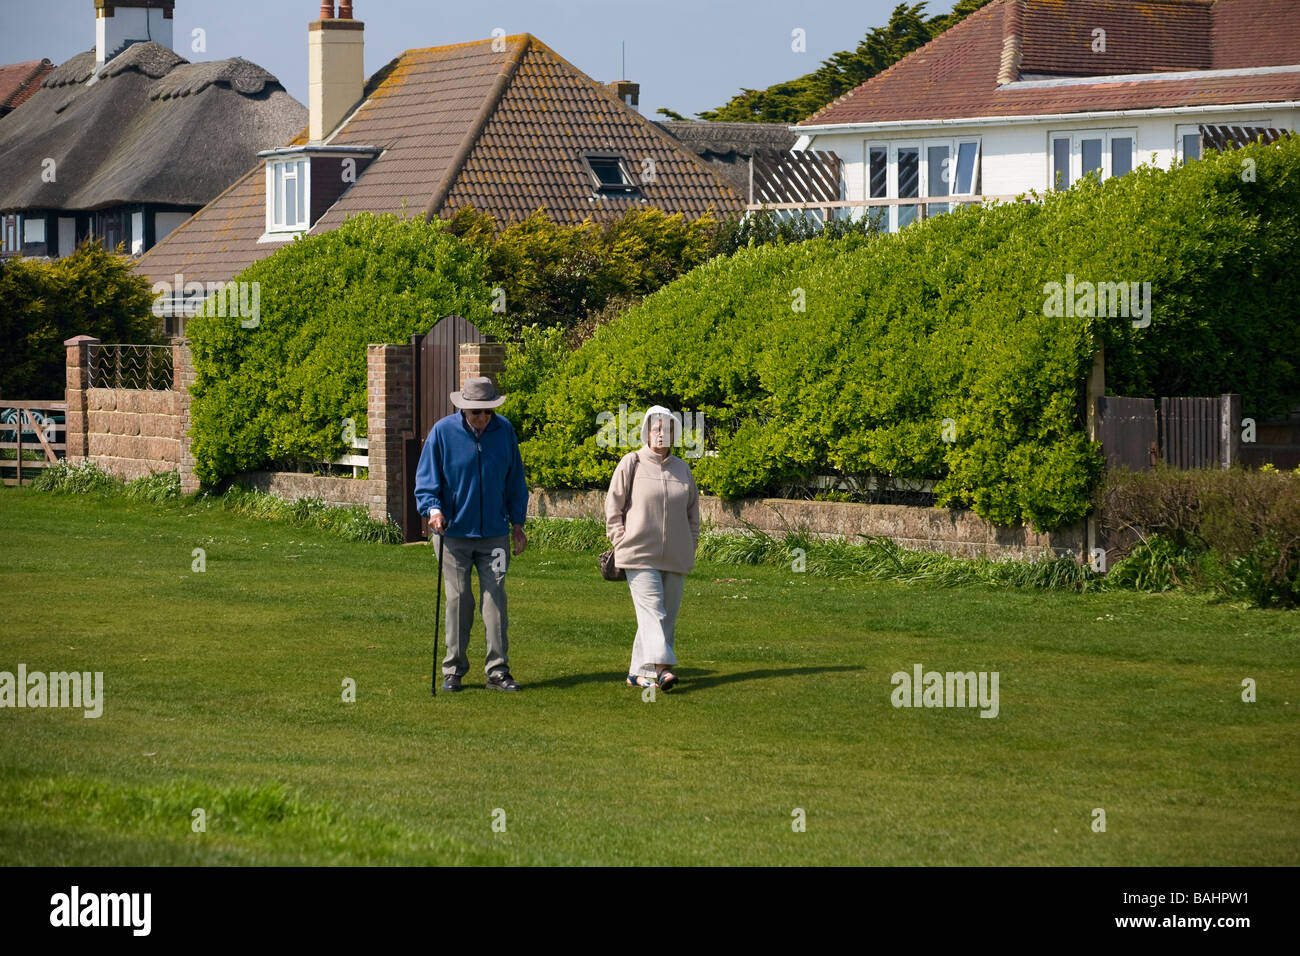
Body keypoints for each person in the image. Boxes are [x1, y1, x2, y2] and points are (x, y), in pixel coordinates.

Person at [414, 376, 528, 692]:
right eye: (476, 412)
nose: (482, 418)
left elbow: (515, 480)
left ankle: (498, 671)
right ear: (464, 408)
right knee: (459, 598)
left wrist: (517, 523)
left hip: (494, 534)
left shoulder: (504, 431)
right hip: (453, 535)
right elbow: (426, 481)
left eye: (488, 412)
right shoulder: (442, 433)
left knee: (495, 599)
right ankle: (453, 670)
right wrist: (433, 509)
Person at [604, 405, 700, 692]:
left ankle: (638, 673)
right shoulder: (631, 462)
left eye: (667, 428)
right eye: (656, 428)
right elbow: (613, 505)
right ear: (646, 431)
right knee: (653, 612)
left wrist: (690, 545)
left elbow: (693, 513)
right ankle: (662, 669)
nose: (661, 433)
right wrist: (619, 538)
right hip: (638, 552)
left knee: (665, 615)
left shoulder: (682, 469)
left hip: (676, 555)